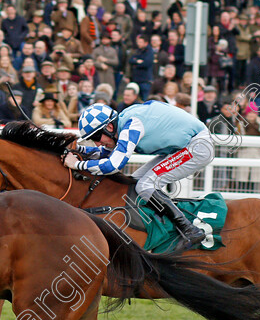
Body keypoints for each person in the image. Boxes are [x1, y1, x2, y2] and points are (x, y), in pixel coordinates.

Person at [64, 101, 213, 250]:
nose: (97, 144)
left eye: (96, 137)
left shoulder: (131, 125)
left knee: (146, 185)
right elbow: (104, 154)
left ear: (109, 127)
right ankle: (157, 226)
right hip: (184, 146)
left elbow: (113, 165)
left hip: (198, 146)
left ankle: (189, 229)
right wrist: (78, 149)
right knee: (135, 182)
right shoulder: (122, 125)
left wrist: (77, 164)